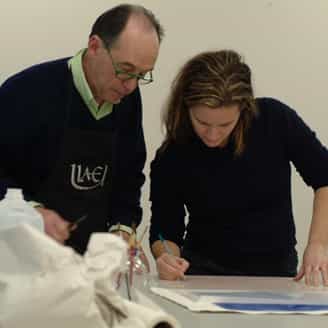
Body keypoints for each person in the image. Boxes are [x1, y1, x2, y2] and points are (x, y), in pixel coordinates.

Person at [149, 50, 328, 286]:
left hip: (275, 276)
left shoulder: (274, 120)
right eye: (202, 123)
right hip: (202, 277)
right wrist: (167, 258)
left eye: (225, 124)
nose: (213, 135)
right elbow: (165, 230)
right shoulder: (172, 154)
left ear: (243, 109)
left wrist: (318, 244)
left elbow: (323, 177)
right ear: (185, 109)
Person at [0, 4, 164, 254]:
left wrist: (122, 229)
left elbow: (128, 178)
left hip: (87, 264)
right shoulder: (27, 91)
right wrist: (31, 213)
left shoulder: (127, 98)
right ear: (95, 46)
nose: (131, 85)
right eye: (125, 70)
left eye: (142, 75)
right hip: (21, 258)